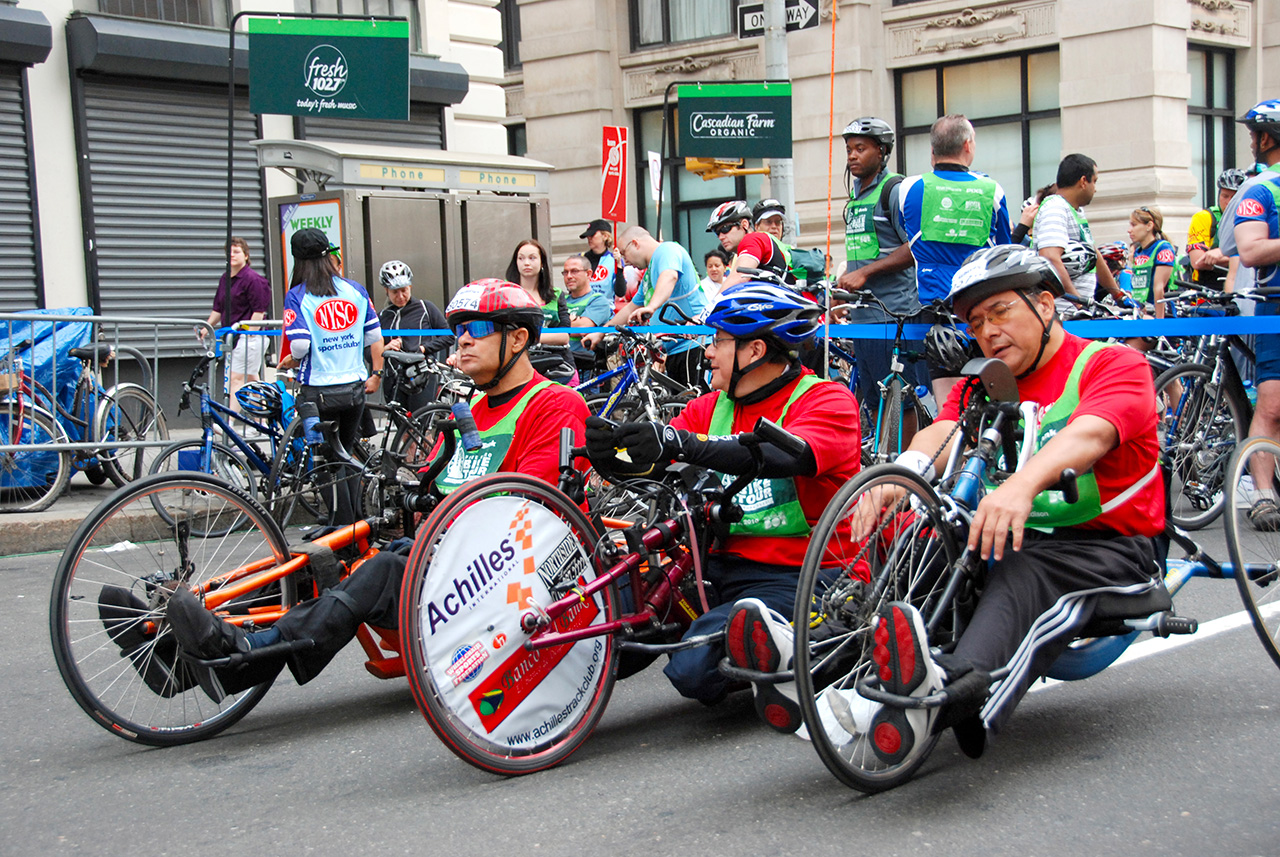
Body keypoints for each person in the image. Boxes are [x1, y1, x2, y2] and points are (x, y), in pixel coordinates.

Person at [153, 279, 591, 697]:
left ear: (517, 339)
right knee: (326, 557)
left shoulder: (554, 404)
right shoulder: (469, 405)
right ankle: (170, 654)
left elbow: (533, 510)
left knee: (379, 572)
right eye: (458, 330)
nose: (463, 340)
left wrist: (438, 522)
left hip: (506, 582)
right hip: (450, 556)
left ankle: (249, 654)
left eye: (476, 329)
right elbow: (434, 480)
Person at [813, 245, 1163, 764]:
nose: (988, 330)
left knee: (1023, 571)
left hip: (1108, 546)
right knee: (925, 537)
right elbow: (943, 429)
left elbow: (1089, 435)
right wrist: (901, 476)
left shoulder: (1111, 364)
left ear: (1046, 305)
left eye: (1000, 311)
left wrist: (1023, 484)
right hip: (1009, 529)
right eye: (977, 322)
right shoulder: (987, 381)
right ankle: (822, 651)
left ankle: (961, 689)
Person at [584, 282, 861, 732]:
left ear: (754, 350)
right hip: (715, 572)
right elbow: (659, 462)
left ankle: (832, 649)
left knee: (693, 669)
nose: (708, 352)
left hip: (802, 575)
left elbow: (786, 456)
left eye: (718, 341)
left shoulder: (825, 400)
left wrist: (686, 443)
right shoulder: (710, 407)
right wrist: (610, 457)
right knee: (613, 625)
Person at [897, 114, 1012, 401]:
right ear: (968, 146)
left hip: (932, 307)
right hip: (979, 303)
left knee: (947, 403)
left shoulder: (909, 188)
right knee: (989, 396)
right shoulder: (992, 191)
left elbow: (908, 233)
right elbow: (1003, 249)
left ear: (932, 151)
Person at [282, 227, 384, 525]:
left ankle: (341, 527)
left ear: (298, 261)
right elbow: (373, 336)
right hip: (353, 388)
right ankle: (355, 527)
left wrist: (294, 358)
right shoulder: (355, 290)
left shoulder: (297, 296)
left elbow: (300, 345)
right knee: (346, 453)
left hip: (317, 392)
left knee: (324, 462)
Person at [833, 116, 922, 406]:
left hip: (892, 317)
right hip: (862, 319)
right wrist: (841, 294)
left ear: (882, 152)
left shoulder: (894, 191)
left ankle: (904, 453)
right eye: (849, 149)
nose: (852, 156)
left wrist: (866, 273)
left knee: (898, 401)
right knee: (872, 401)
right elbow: (864, 250)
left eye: (861, 148)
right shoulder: (857, 196)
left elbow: (915, 247)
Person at [1226, 100, 1280, 530]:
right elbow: (1250, 250)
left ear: (1266, 138)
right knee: (1272, 403)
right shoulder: (1260, 190)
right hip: (1276, 308)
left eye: (1253, 134)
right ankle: (1263, 496)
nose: (1251, 142)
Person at [582, 225, 707, 388]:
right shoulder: (649, 272)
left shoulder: (667, 250)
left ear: (635, 243)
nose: (625, 262)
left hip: (693, 345)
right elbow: (631, 307)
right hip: (675, 349)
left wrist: (651, 307)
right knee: (681, 407)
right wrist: (602, 332)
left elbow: (670, 276)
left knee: (697, 406)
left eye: (624, 254)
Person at [1034, 154, 1127, 311]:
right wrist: (1078, 303)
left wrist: (1118, 295)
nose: (1095, 189)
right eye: (1095, 181)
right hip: (1062, 313)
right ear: (1084, 181)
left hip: (1077, 312)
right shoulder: (1055, 208)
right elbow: (1050, 257)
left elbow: (1093, 255)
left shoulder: (1076, 211)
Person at [202, 237, 271, 409]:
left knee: (236, 378)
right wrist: (207, 327)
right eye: (229, 252)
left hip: (248, 337)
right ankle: (262, 419)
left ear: (246, 255)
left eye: (236, 251)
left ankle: (229, 421)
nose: (232, 255)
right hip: (233, 337)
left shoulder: (254, 280)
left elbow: (259, 311)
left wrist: (248, 333)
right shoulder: (225, 278)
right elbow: (218, 308)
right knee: (251, 379)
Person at [377, 260, 453, 412]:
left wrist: (424, 348)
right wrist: (385, 348)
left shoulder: (426, 308)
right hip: (393, 378)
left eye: (404, 290)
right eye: (394, 292)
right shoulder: (383, 316)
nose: (400, 296)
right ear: (386, 290)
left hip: (421, 376)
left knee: (421, 426)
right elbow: (370, 351)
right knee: (402, 430)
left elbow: (449, 336)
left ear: (410, 286)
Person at [506, 238, 575, 382]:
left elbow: (564, 336)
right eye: (521, 258)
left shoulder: (556, 294)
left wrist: (524, 337)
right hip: (517, 365)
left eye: (532, 258)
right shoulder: (506, 293)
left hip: (558, 364)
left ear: (542, 262)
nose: (526, 263)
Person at [707, 200, 794, 288]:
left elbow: (739, 277)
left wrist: (716, 300)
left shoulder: (753, 239)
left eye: (725, 229)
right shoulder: (781, 246)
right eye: (717, 233)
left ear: (744, 224)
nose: (721, 237)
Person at [1186, 168, 1247, 293]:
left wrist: (1219, 257)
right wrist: (1241, 258)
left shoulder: (1249, 218)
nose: (1229, 202)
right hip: (1207, 288)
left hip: (1242, 285)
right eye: (1225, 196)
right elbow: (1198, 261)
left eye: (1234, 197)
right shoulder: (1203, 217)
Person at [562, 253, 613, 369]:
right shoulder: (561, 300)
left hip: (585, 369)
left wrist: (560, 323)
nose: (569, 276)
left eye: (574, 271)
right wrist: (575, 320)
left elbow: (582, 328)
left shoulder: (598, 300)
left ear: (588, 273)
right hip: (561, 366)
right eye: (565, 272)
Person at [1127, 206, 1176, 319]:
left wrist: (1158, 324)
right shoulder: (1138, 251)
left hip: (1161, 313)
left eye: (1134, 225)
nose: (1129, 230)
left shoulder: (1163, 248)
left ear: (1149, 226)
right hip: (1142, 312)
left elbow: (1158, 287)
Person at [581, 218, 621, 302]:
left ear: (605, 236)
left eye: (592, 235)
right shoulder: (581, 258)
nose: (589, 238)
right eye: (587, 236)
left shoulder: (613, 260)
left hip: (605, 309)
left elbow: (620, 292)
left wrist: (619, 266)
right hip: (583, 308)